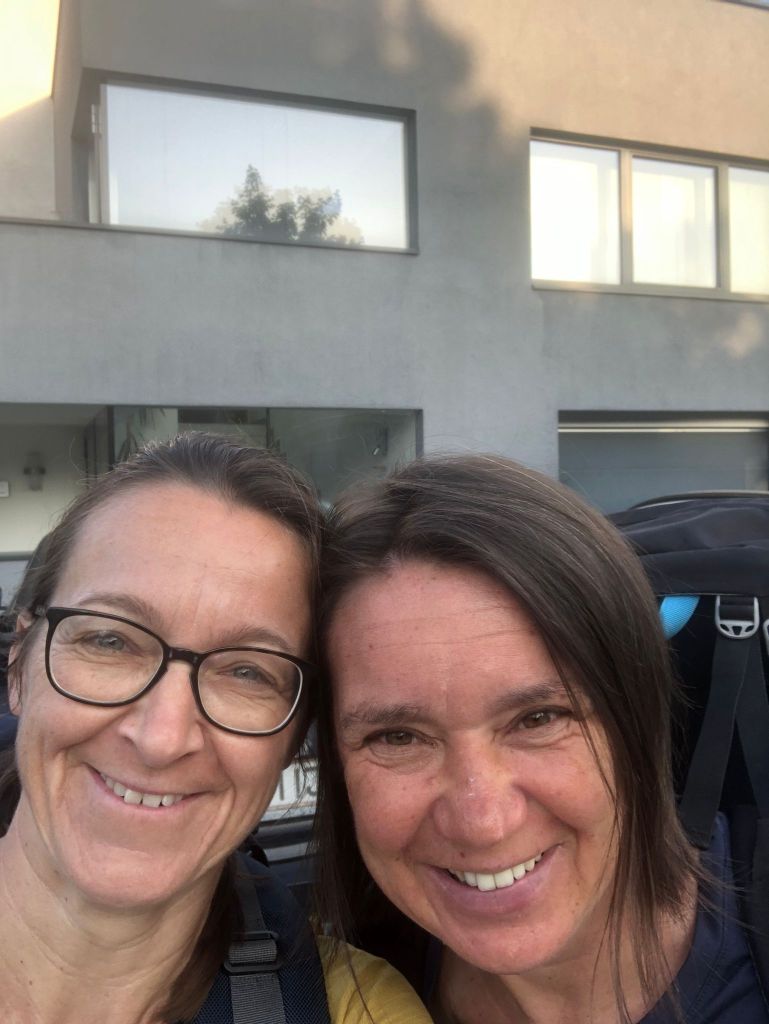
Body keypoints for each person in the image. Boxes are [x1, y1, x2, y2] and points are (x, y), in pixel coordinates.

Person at [315, 453, 769, 1024]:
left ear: (636, 721)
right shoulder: (333, 989)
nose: (484, 822)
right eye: (399, 737)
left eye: (538, 718)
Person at [0, 432, 431, 1024]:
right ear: (18, 666)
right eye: (110, 640)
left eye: (248, 673)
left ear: (293, 738)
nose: (161, 739)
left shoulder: (359, 1009)